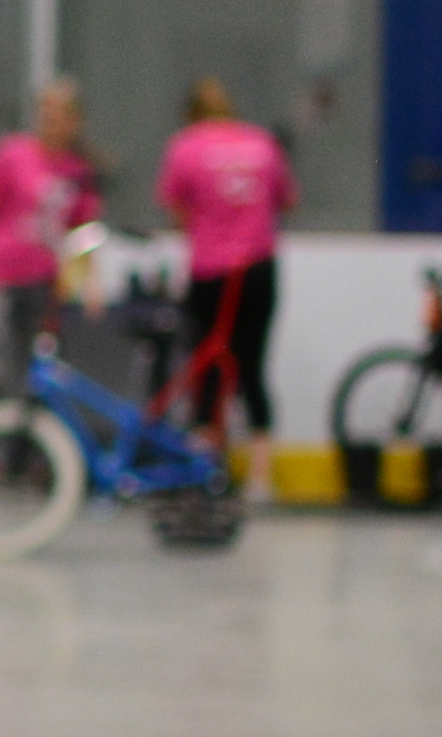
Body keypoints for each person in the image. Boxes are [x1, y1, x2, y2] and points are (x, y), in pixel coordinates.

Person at [157, 78, 294, 498]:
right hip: (258, 269)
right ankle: (259, 475)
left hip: (212, 271)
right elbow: (284, 201)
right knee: (252, 366)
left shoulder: (186, 145)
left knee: (207, 364)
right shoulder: (262, 143)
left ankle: (206, 465)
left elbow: (174, 206)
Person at [0, 79, 100, 414]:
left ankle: (31, 451)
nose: (51, 125)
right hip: (1, 275)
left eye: (59, 117)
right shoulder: (12, 154)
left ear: (75, 122)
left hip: (44, 280)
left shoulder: (79, 172)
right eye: (45, 117)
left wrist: (89, 281)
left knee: (40, 368)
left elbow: (84, 231)